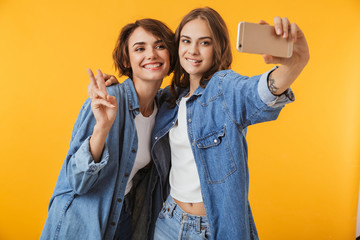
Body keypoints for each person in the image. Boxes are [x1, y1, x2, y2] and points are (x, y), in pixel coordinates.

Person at [150, 7, 310, 240]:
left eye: (204, 43)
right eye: (186, 41)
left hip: (211, 229)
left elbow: (256, 93)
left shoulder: (224, 87)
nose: (192, 50)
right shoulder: (169, 98)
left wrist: (295, 64)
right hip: (168, 220)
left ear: (218, 48)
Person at [40, 18, 175, 240]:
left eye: (160, 46)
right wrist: (103, 127)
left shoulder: (166, 109)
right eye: (140, 48)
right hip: (81, 224)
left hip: (123, 220)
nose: (151, 54)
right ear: (126, 60)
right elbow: (77, 181)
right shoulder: (105, 100)